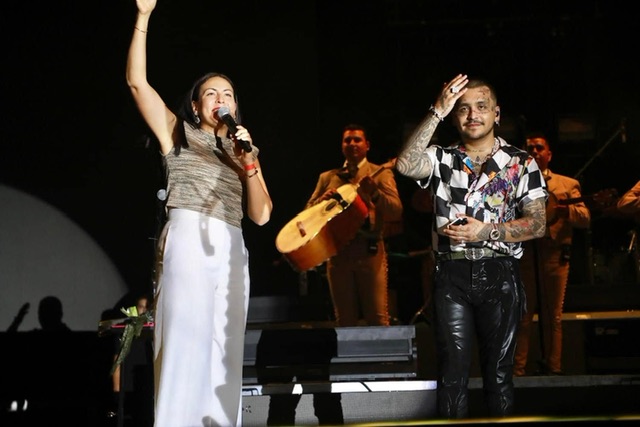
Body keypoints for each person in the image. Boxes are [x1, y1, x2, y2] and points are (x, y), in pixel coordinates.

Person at [126, 1, 273, 426]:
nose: (221, 99)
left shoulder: (243, 150)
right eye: (212, 92)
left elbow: (262, 215)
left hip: (231, 244)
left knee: (224, 347)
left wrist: (249, 162)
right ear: (195, 105)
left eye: (228, 94)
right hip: (189, 233)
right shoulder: (179, 133)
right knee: (184, 341)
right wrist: (143, 16)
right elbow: (137, 83)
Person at [394, 74, 547, 418]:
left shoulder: (520, 162)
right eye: (463, 109)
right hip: (452, 274)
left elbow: (538, 224)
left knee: (498, 374)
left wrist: (485, 231)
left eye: (481, 107)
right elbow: (404, 164)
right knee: (451, 374)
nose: (472, 115)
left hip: (500, 273)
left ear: (496, 113)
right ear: (454, 115)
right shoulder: (443, 159)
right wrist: (436, 110)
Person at [304, 123, 403, 327]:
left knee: (377, 318)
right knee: (344, 320)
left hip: (370, 251)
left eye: (357, 139)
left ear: (367, 145)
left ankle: (381, 359)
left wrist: (375, 192)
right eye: (347, 140)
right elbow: (306, 215)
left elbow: (396, 211)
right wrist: (321, 201)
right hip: (338, 252)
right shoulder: (328, 177)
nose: (352, 143)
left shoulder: (380, 173)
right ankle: (349, 359)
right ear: (342, 146)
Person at [513, 133, 591, 376]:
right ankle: (518, 370)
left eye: (539, 148)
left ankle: (554, 367)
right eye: (530, 148)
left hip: (555, 256)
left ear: (549, 154)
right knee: (523, 316)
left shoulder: (567, 184)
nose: (535, 151)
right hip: (526, 256)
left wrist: (563, 212)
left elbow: (585, 218)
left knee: (553, 316)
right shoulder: (514, 183)